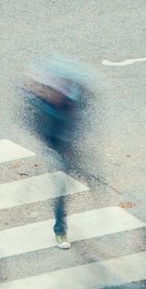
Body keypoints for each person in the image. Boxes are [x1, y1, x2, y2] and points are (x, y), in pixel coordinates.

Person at [24, 57, 88, 249]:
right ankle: (60, 230)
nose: (56, 95)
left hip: (70, 147)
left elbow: (80, 121)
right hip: (56, 149)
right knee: (61, 191)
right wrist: (52, 146)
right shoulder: (43, 107)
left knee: (80, 177)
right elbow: (37, 126)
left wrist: (72, 142)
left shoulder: (72, 101)